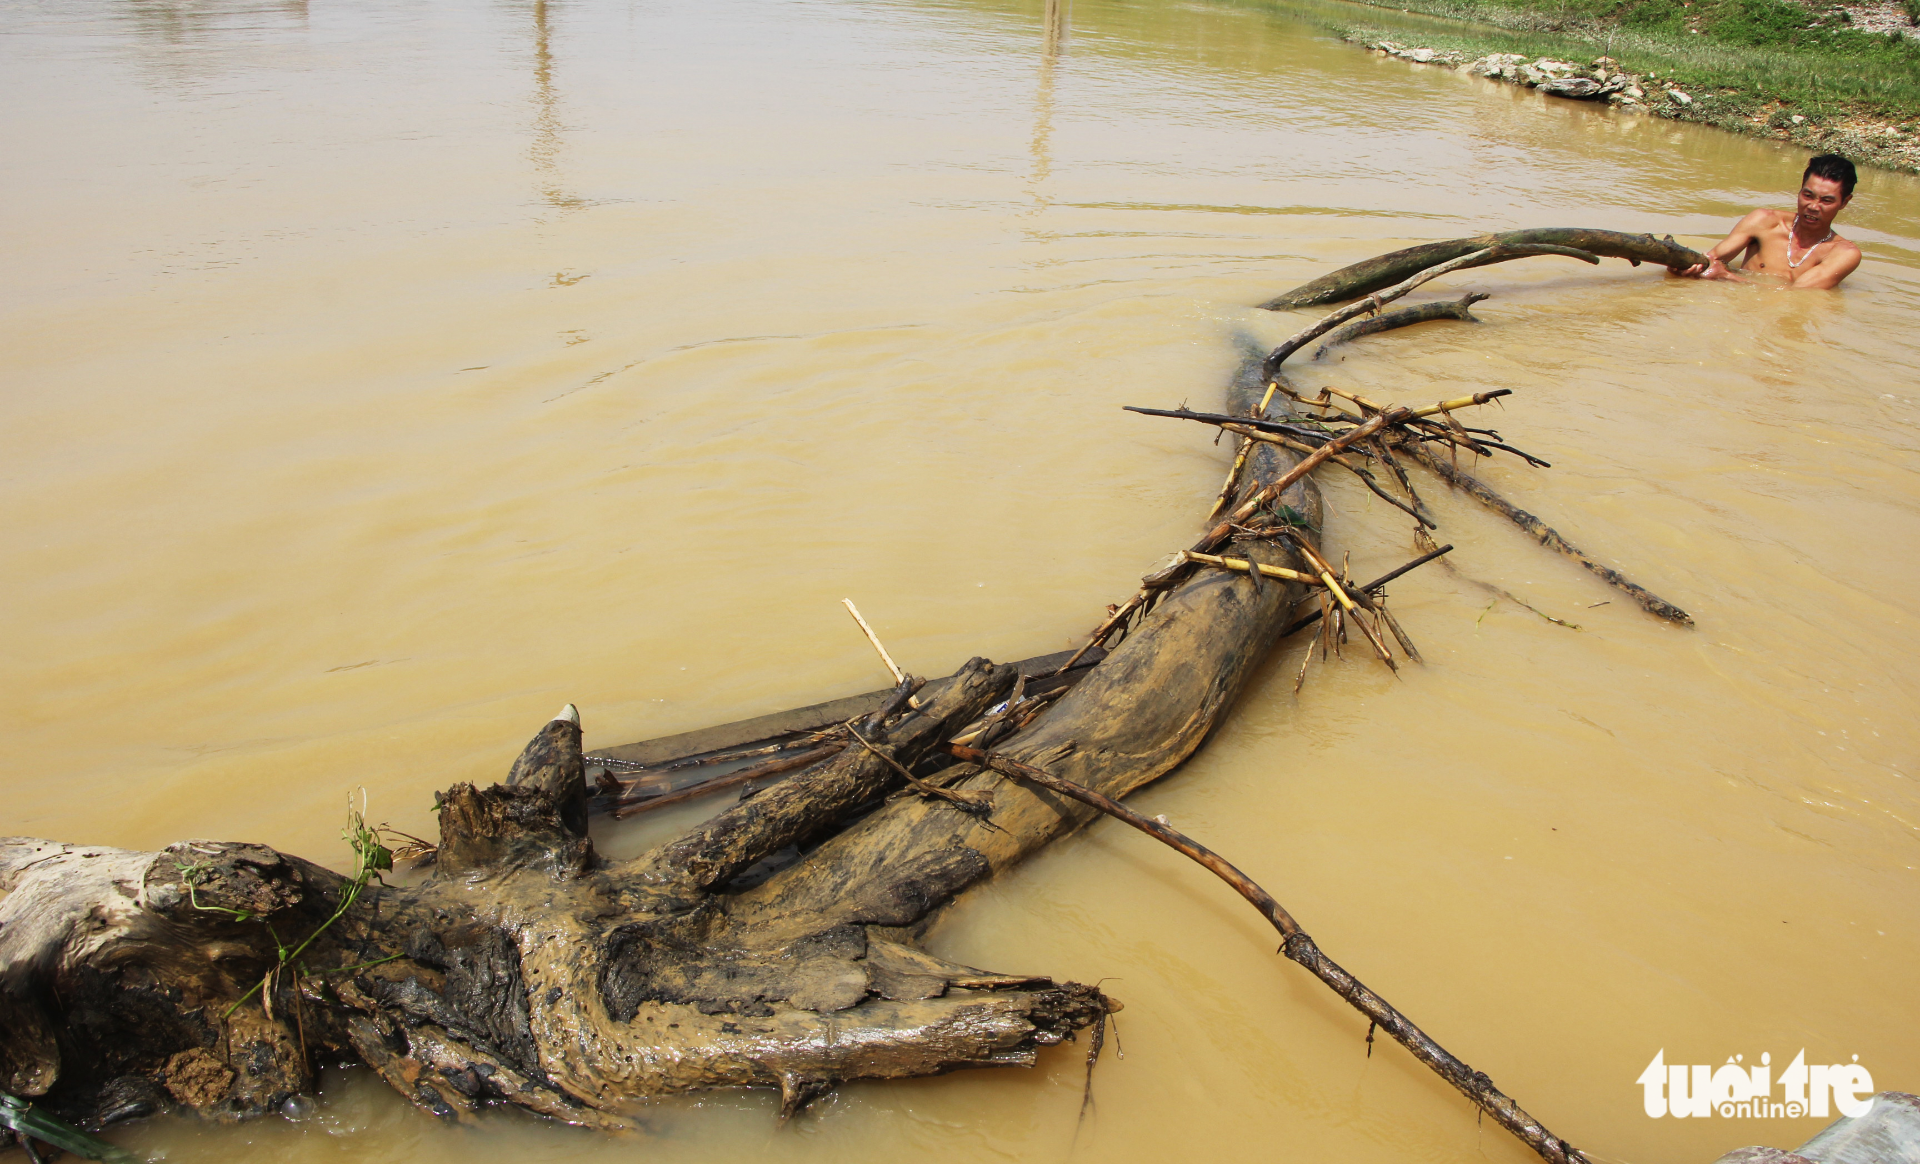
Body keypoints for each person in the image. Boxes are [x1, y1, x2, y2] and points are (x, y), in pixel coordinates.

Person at [1676, 154, 1862, 289]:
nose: (1813, 206)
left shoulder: (1843, 253)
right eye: (1807, 195)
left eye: (1826, 201)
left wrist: (1727, 277)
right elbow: (1712, 260)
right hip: (1739, 313)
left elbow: (1799, 296)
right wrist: (1684, 266)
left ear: (1844, 202)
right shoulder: (1764, 221)